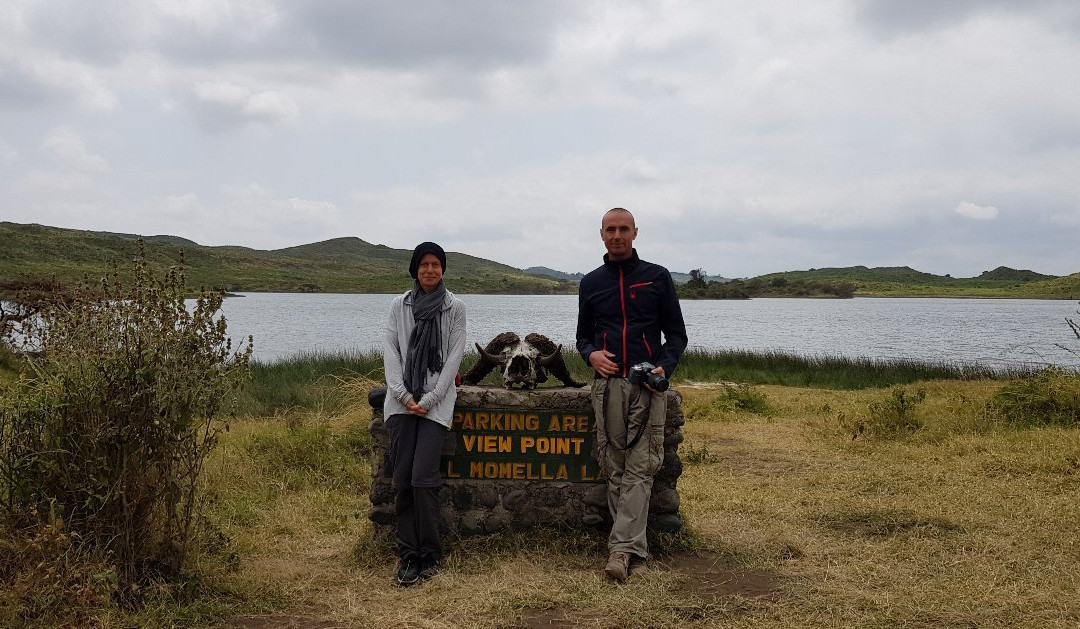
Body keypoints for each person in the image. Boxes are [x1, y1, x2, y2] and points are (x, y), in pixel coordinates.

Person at [575, 208, 688, 582]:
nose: (618, 235)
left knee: (641, 467)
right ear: (601, 235)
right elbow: (583, 337)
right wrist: (590, 354)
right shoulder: (590, 283)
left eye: (624, 229)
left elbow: (676, 335)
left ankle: (621, 550)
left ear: (635, 233)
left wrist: (663, 367)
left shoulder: (657, 277)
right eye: (611, 229)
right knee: (614, 467)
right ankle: (629, 547)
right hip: (607, 386)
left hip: (646, 385)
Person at [383, 241, 467, 586]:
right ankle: (408, 556)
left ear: (443, 269)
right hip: (401, 403)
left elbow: (454, 357)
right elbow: (390, 350)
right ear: (415, 269)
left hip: (436, 403)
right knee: (402, 480)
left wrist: (430, 399)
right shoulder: (397, 305)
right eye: (424, 265)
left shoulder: (455, 307)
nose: (430, 270)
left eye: (435, 264)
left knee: (423, 479)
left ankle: (430, 554)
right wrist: (403, 396)